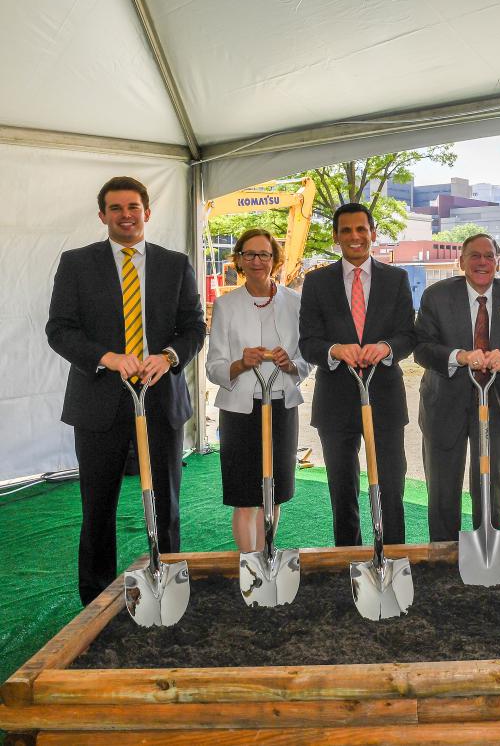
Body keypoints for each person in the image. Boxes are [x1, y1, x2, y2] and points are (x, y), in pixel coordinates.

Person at [46, 176, 205, 605]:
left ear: (147, 212)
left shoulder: (176, 264)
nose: (125, 215)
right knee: (98, 509)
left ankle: (168, 584)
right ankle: (96, 601)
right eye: (115, 208)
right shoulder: (77, 264)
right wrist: (107, 358)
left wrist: (170, 356)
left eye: (133, 207)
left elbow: (194, 327)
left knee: (167, 505)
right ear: (103, 216)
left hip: (161, 401)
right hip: (98, 403)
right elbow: (59, 330)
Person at [298, 202, 416, 546]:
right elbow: (308, 342)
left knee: (391, 485)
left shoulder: (397, 279)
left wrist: (386, 348)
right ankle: (347, 560)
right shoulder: (317, 282)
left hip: (385, 401)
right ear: (336, 237)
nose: (355, 237)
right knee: (342, 489)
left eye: (361, 229)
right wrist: (334, 350)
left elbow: (408, 335)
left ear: (373, 233)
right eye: (346, 230)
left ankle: (393, 557)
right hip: (335, 402)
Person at [414, 233, 500, 541]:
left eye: (489, 256)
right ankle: (443, 551)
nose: (482, 262)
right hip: (444, 402)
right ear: (461, 261)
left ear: (498, 261)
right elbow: (422, 348)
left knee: (490, 481)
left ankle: (487, 543)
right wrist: (460, 356)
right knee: (442, 486)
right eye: (475, 256)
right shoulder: (436, 295)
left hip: (495, 403)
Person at [206, 229, 311, 552]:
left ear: (275, 260)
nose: (256, 261)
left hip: (281, 406)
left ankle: (268, 554)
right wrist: (240, 363)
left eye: (264, 254)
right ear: (238, 259)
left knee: (274, 492)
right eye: (248, 254)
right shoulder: (226, 305)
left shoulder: (295, 302)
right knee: (245, 497)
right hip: (240, 411)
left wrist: (290, 364)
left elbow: (308, 358)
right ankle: (248, 563)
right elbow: (214, 367)